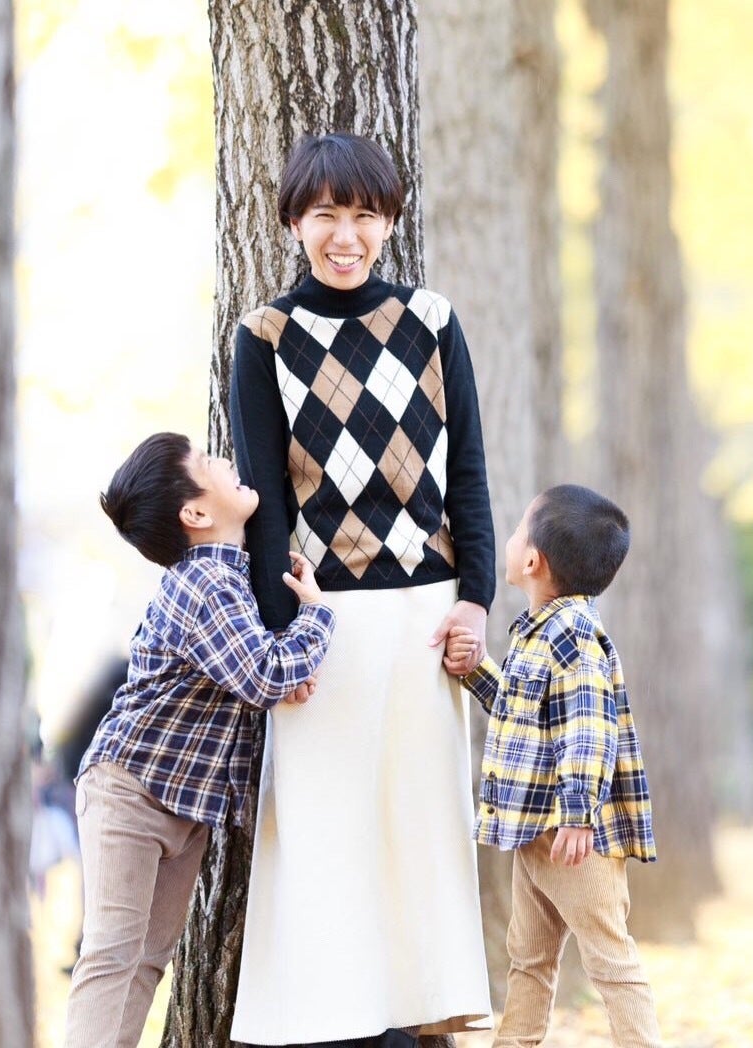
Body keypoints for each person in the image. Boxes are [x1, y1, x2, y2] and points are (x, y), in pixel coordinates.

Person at [228, 131, 494, 1046]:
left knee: (422, 825)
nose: (346, 236)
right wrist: (279, 641)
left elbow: (469, 475)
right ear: (293, 223)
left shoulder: (431, 320)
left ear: (389, 223)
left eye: (365, 215)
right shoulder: (265, 337)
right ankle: (332, 1022)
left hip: (426, 608)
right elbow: (264, 501)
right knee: (323, 827)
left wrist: (476, 598)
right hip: (322, 618)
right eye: (326, 215)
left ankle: (420, 1018)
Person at [64, 432, 335, 1048]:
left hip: (187, 807)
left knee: (147, 961)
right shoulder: (203, 583)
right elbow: (263, 675)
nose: (228, 461)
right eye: (210, 462)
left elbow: (253, 670)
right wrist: (315, 618)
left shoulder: (232, 581)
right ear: (195, 513)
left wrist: (286, 666)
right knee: (112, 954)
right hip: (130, 791)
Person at [447, 484, 662, 1048]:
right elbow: (525, 716)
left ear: (533, 561)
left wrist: (578, 814)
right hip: (537, 831)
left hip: (574, 838)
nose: (511, 538)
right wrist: (476, 669)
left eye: (519, 529)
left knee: (610, 959)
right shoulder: (539, 631)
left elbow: (589, 731)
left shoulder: (573, 637)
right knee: (529, 957)